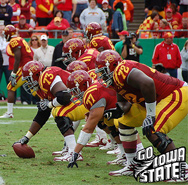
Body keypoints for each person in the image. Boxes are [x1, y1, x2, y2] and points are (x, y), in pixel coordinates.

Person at [94, 50, 188, 179]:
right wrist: (118, 110)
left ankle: (182, 169)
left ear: (113, 66)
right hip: (152, 101)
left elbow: (148, 83)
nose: (101, 75)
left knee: (153, 130)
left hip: (174, 93)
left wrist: (150, 115)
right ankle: (133, 164)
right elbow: (124, 104)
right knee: (124, 122)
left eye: (103, 71)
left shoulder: (123, 69)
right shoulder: (115, 79)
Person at [13, 60, 87, 162]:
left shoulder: (46, 75)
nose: (28, 83)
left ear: (37, 74)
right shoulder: (40, 86)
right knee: (56, 110)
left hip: (86, 101)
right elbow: (43, 114)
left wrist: (50, 104)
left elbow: (64, 96)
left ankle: (74, 152)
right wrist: (27, 137)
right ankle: (71, 150)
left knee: (59, 112)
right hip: (82, 101)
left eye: (29, 79)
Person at [0, 25, 33, 118]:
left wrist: (14, 73)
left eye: (6, 34)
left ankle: (9, 113)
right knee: (36, 90)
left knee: (10, 87)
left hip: (25, 67)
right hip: (30, 65)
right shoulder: (20, 39)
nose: (5, 36)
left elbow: (17, 58)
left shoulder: (14, 41)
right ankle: (50, 108)